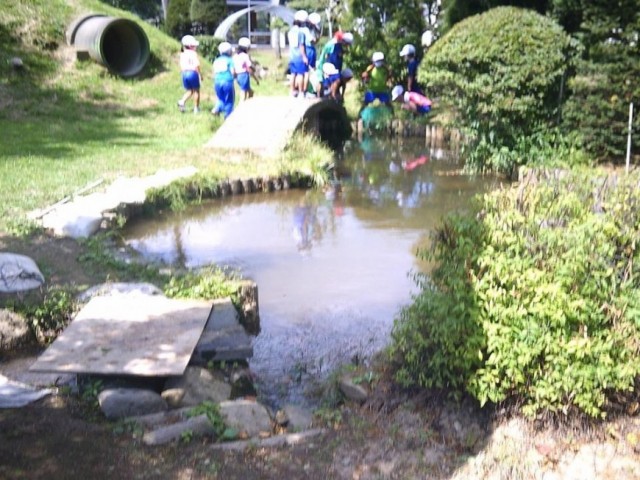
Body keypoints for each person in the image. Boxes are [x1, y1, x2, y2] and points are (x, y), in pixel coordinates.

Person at [314, 31, 353, 97]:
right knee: (336, 80)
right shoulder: (334, 45)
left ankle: (331, 94)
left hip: (333, 68)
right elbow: (331, 58)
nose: (347, 46)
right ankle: (332, 95)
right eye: (347, 44)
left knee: (335, 81)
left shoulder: (338, 46)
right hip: (330, 69)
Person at [177, 35, 203, 114]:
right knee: (196, 91)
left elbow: (181, 65)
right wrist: (200, 74)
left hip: (184, 73)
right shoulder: (193, 53)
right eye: (194, 45)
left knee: (190, 90)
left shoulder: (182, 54)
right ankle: (196, 108)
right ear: (190, 46)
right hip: (193, 73)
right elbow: (196, 65)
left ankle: (182, 101)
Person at [287, 10, 309, 97]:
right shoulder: (301, 33)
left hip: (291, 56)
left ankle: (292, 91)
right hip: (299, 56)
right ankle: (301, 92)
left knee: (293, 74)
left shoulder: (290, 32)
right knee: (300, 74)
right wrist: (304, 57)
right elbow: (301, 46)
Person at [211, 42, 236, 119]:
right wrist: (235, 76)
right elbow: (232, 72)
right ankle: (228, 117)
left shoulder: (216, 60)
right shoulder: (229, 60)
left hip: (217, 81)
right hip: (227, 81)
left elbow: (214, 72)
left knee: (220, 98)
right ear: (229, 51)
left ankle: (216, 109)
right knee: (229, 100)